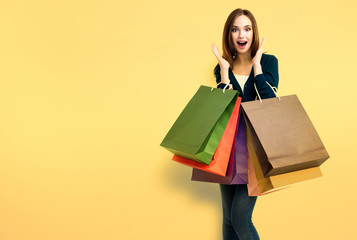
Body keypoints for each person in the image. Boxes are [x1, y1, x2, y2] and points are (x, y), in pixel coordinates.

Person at [211, 8, 279, 240]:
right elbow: (223, 111)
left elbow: (271, 104)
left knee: (241, 217)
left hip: (256, 151)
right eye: (235, 29)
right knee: (229, 219)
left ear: (253, 32)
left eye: (247, 29)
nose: (242, 34)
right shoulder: (222, 68)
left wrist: (258, 70)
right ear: (229, 34)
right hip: (228, 150)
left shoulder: (269, 62)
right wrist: (224, 77)